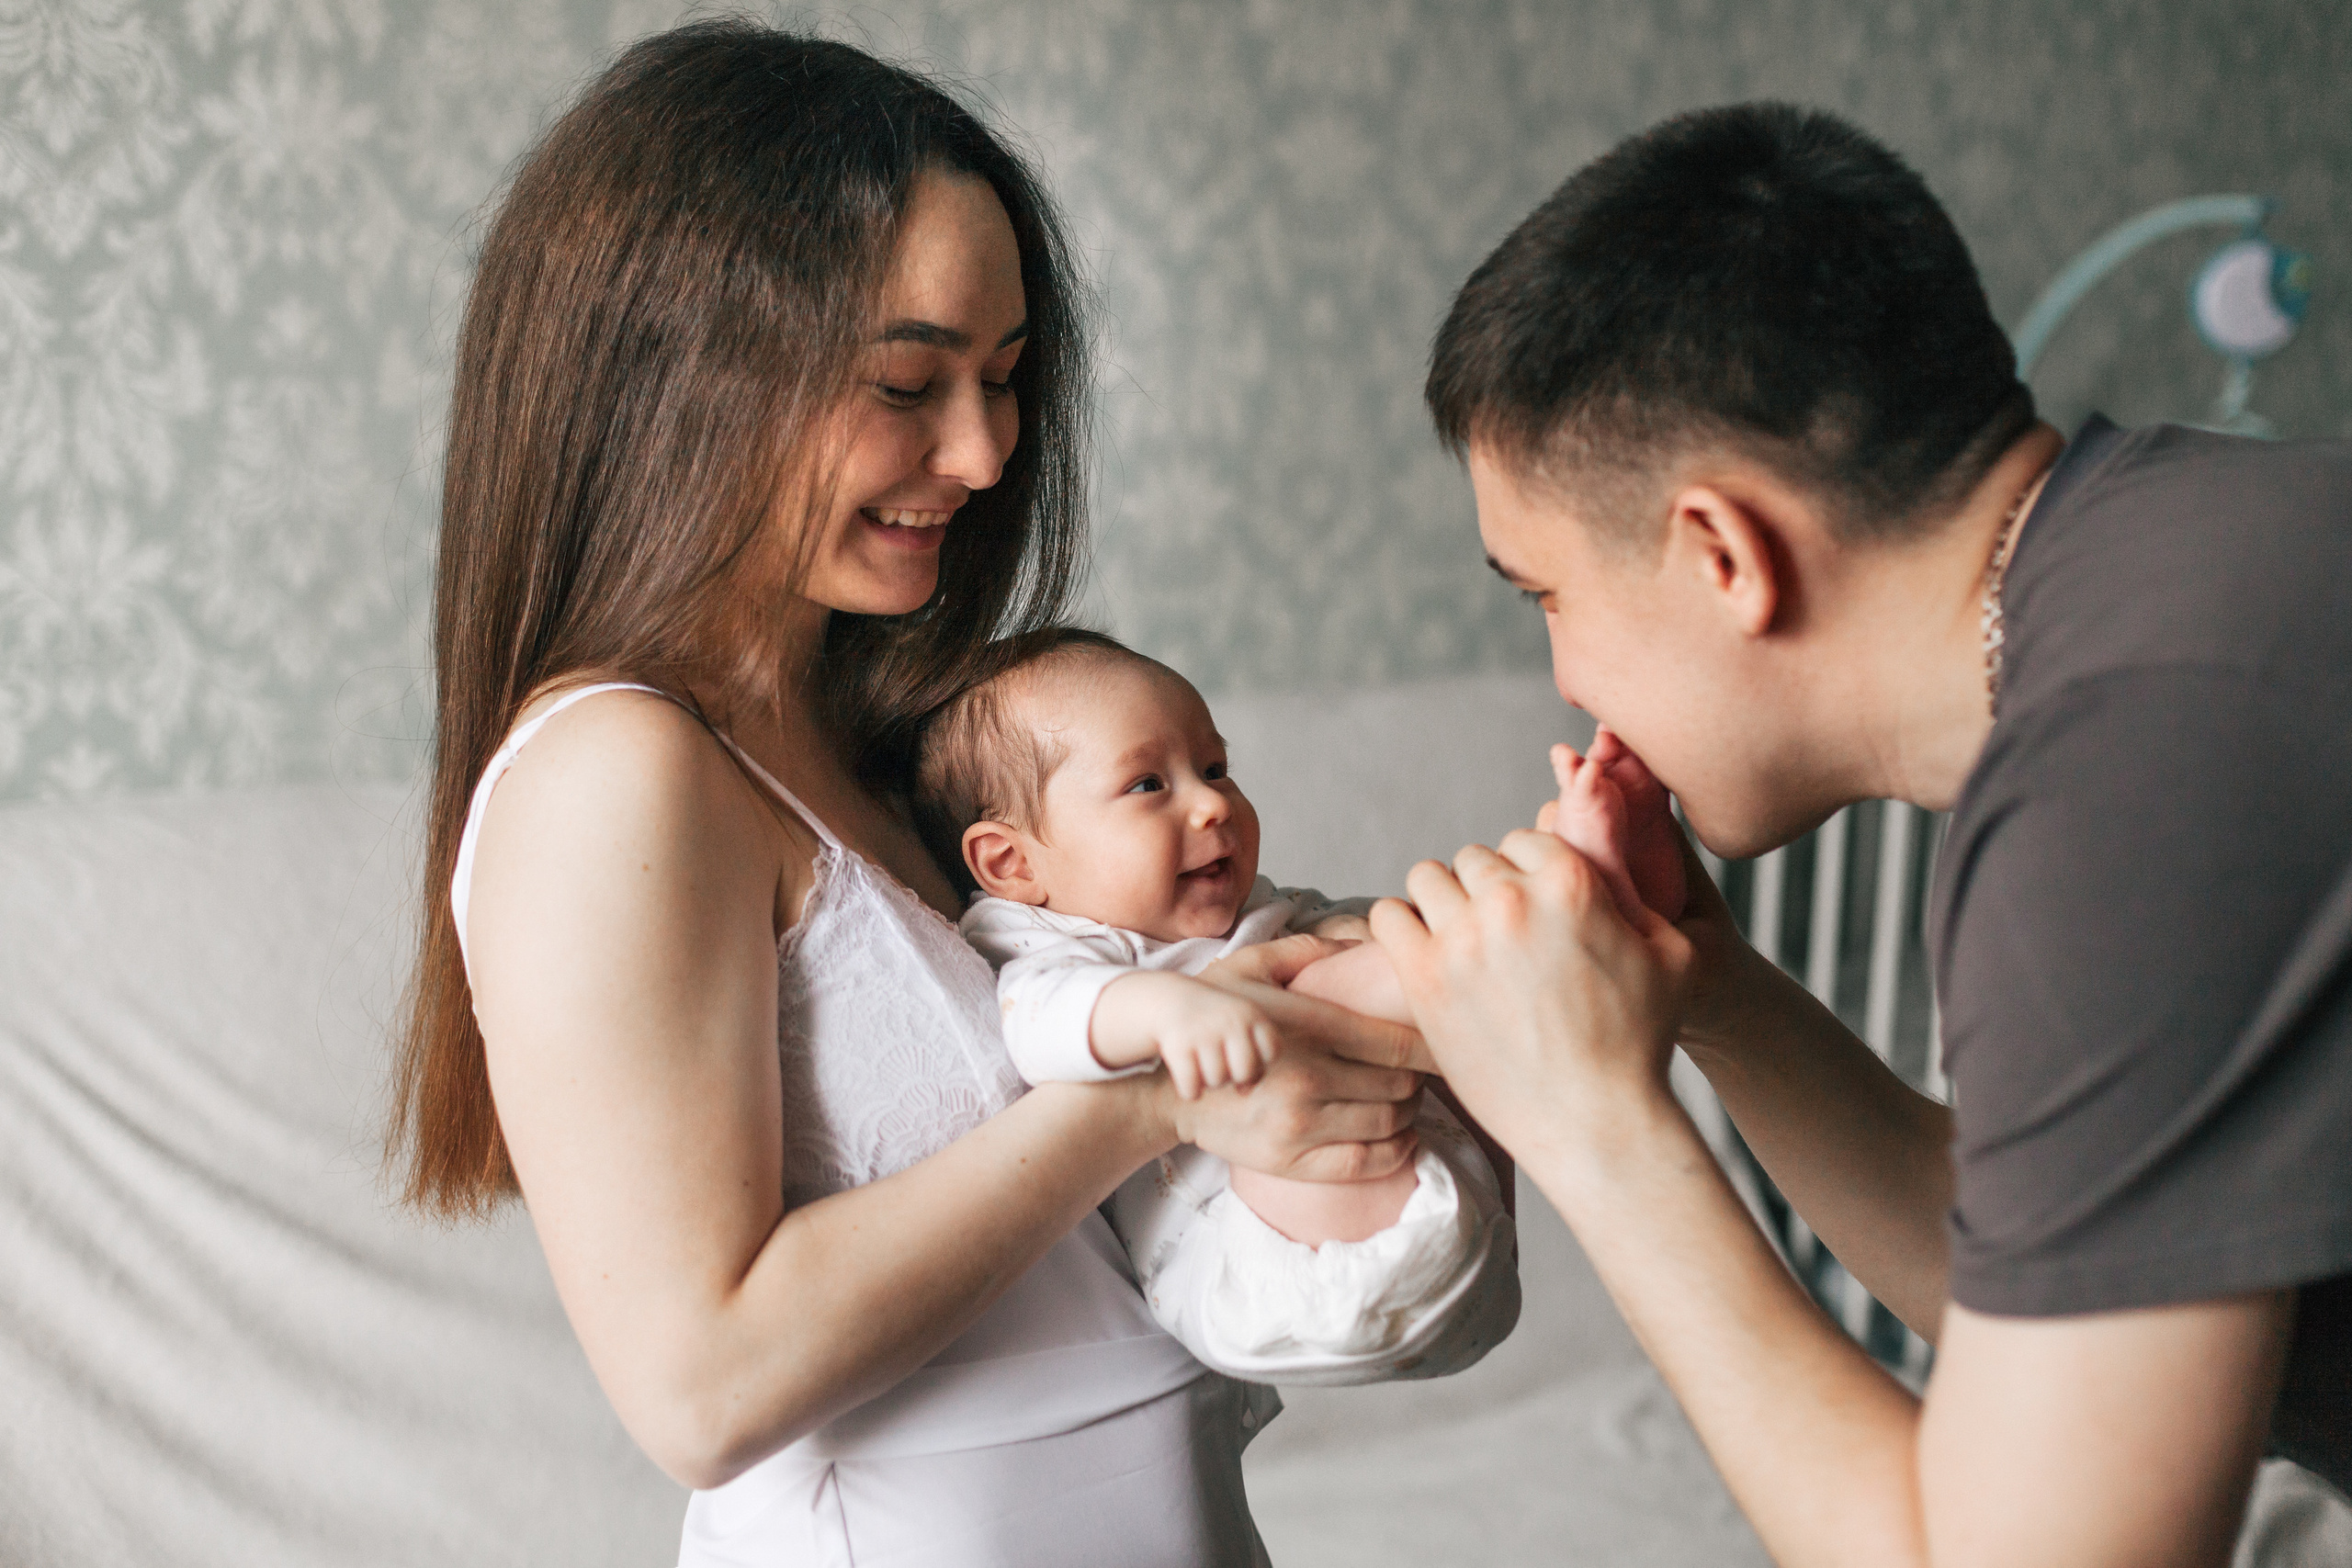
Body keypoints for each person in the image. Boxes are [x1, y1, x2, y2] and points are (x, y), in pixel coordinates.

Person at [388, 24, 1437, 1566]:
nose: (987, 449)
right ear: (680, 367)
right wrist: (1156, 1087)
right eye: (909, 381)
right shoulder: (617, 774)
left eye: (1007, 380)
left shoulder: (878, 737)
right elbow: (702, 1380)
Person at [1377, 101, 2352, 1567]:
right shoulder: (2192, 559)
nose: (1566, 678)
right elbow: (2060, 1296)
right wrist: (1711, 991)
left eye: (1546, 597)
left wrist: (1590, 1122)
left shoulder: (2120, 775)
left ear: (1722, 552)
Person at [910, 626, 1521, 1379]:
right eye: (1148, 785)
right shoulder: (1041, 944)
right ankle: (1519, 939)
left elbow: (1331, 924)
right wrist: (1168, 1011)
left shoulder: (1254, 916)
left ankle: (1519, 930)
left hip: (1463, 1230)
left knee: (1369, 945)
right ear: (1011, 862)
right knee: (1315, 989)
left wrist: (1359, 930)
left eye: (1215, 767)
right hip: (1272, 1262)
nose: (1211, 804)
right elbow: (1036, 1023)